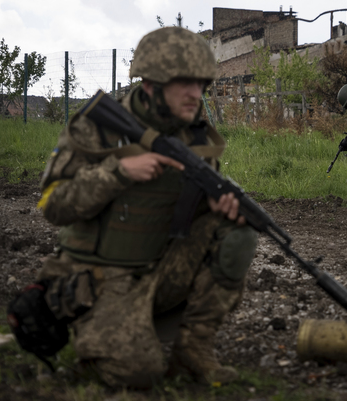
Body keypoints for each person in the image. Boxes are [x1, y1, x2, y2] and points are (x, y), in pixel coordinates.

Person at [34, 27, 257, 388]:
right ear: (151, 85)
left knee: (236, 232)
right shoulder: (96, 127)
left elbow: (187, 215)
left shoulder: (194, 134)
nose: (195, 94)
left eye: (200, 84)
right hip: (98, 278)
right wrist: (118, 171)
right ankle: (91, 338)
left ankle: (192, 351)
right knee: (138, 374)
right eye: (184, 83)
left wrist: (216, 204)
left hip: (157, 268)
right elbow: (53, 206)